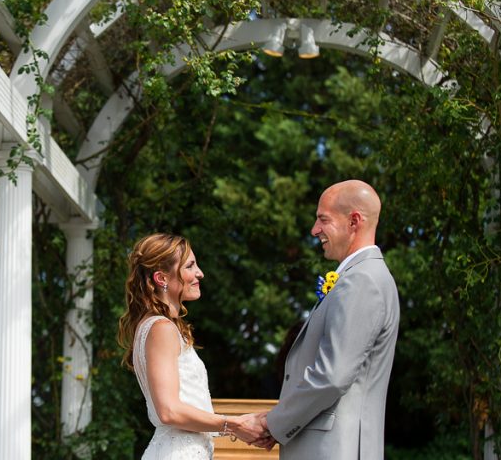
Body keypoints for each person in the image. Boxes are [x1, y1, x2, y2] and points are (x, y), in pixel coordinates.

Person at [254, 180, 401, 459]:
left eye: (323, 219)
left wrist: (274, 424)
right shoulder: (363, 277)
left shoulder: (362, 280)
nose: (314, 230)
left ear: (354, 221)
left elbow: (332, 376)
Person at [117, 233, 266, 459]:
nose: (200, 273)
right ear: (161, 278)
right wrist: (232, 425)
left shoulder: (158, 327)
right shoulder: (161, 328)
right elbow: (169, 411)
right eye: (190, 266)